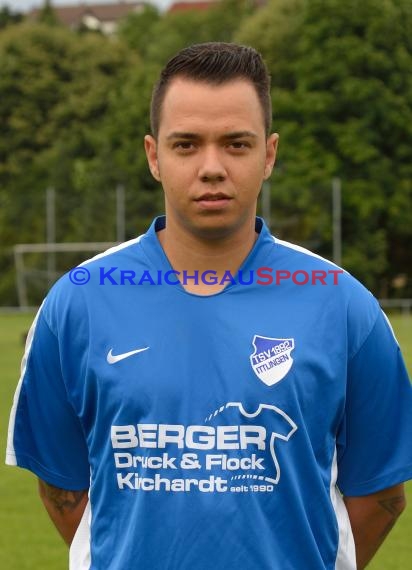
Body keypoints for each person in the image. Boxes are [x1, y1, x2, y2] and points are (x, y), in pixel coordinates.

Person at [6, 42, 412, 570]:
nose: (212, 167)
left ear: (269, 154)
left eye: (236, 144)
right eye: (187, 145)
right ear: (154, 155)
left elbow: (381, 495)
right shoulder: (77, 303)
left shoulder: (342, 305)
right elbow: (62, 489)